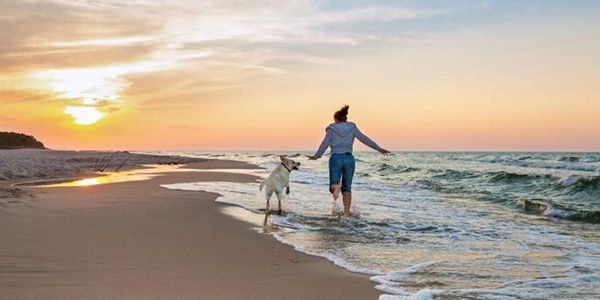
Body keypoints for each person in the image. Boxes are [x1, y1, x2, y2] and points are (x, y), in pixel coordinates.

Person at [307, 105, 390, 216]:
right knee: (347, 188)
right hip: (349, 159)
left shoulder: (332, 128)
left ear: (336, 119)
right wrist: (378, 148)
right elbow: (365, 139)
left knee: (334, 186)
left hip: (336, 158)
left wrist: (317, 156)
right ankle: (346, 214)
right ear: (345, 119)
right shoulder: (352, 127)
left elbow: (325, 143)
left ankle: (336, 188)